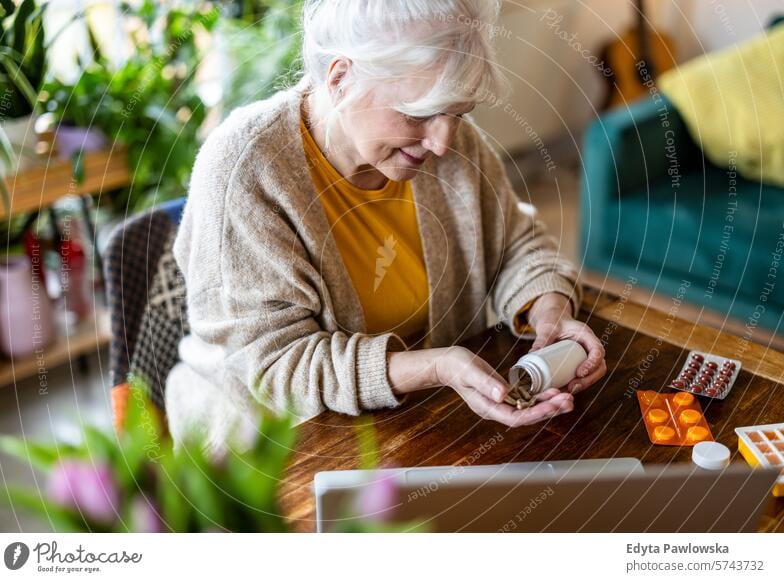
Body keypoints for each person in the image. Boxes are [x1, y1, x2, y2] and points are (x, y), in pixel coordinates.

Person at [165, 0, 606, 453]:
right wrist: (435, 368)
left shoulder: (449, 144)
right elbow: (276, 369)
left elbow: (516, 243)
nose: (442, 142)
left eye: (456, 112)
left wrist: (548, 309)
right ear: (340, 79)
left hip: (414, 419)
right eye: (417, 114)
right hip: (271, 439)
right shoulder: (244, 168)